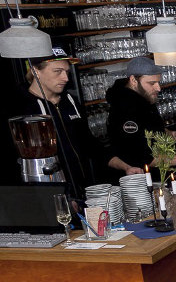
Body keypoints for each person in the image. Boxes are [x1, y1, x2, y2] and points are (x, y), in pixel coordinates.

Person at [19, 47, 140, 200]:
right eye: (57, 71)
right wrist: (63, 195)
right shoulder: (23, 108)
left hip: (83, 191)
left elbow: (90, 144)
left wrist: (125, 167)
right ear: (36, 71)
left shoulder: (70, 100)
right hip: (50, 196)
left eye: (67, 72)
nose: (65, 78)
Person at [106, 56, 176, 178]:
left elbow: (153, 130)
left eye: (158, 82)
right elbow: (140, 156)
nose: (158, 88)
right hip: (140, 179)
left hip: (160, 175)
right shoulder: (124, 108)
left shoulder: (144, 97)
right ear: (133, 80)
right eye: (152, 83)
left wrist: (174, 135)